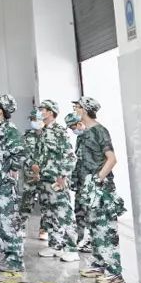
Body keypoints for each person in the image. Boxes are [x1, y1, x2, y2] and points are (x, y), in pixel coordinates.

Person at [72, 97, 126, 283]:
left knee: (105, 230)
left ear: (85, 110)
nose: (75, 110)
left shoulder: (99, 131)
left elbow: (111, 159)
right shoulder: (84, 133)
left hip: (100, 190)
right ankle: (99, 264)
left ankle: (114, 273)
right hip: (87, 190)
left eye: (77, 107)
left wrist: (97, 180)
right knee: (94, 229)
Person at [0, 94, 25, 273]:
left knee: (8, 221)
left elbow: (20, 152)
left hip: (3, 184)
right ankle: (7, 256)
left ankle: (15, 260)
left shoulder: (10, 129)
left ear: (0, 109)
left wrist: (12, 170)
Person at [35, 99, 80, 263]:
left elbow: (70, 156)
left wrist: (63, 176)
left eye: (42, 109)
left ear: (50, 112)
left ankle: (71, 249)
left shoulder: (59, 131)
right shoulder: (43, 131)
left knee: (63, 214)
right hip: (45, 179)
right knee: (49, 213)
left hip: (57, 179)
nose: (40, 112)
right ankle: (56, 245)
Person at [20, 107, 47, 241]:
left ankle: (44, 229)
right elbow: (23, 153)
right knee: (27, 200)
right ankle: (20, 226)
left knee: (46, 201)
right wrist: (32, 165)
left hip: (46, 173)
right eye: (32, 119)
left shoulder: (50, 135)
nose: (34, 121)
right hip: (30, 174)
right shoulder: (26, 136)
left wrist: (42, 169)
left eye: (36, 119)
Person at [64, 112, 89, 251]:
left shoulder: (93, 136)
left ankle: (90, 241)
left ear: (79, 124)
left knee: (89, 212)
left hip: (90, 182)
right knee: (79, 211)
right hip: (81, 181)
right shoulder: (80, 139)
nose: (73, 130)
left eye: (73, 127)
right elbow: (78, 161)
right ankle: (80, 239)